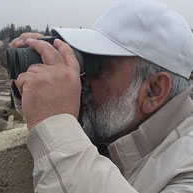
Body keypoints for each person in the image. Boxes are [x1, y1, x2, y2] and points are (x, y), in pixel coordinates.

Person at [11, 0, 193, 192]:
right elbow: (67, 112)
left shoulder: (186, 171)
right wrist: (35, 84)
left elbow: (62, 129)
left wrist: (56, 124)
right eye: (85, 61)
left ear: (153, 91)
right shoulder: (125, 123)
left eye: (98, 67)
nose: (82, 80)